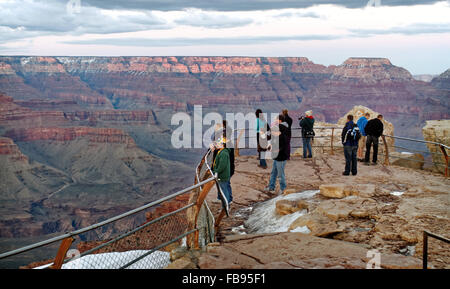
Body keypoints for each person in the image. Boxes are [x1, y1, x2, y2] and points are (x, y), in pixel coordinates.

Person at [264, 114, 289, 194]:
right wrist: (270, 146)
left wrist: (276, 150)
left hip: (281, 158)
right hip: (276, 157)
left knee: (281, 175)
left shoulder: (283, 138)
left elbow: (283, 148)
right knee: (273, 173)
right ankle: (271, 187)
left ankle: (283, 189)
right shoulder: (275, 137)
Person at [210, 137, 233, 204]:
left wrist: (215, 171)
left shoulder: (223, 153)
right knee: (224, 188)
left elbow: (222, 166)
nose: (216, 145)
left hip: (222, 176)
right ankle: (227, 202)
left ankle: (225, 205)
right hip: (223, 175)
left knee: (223, 191)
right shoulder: (222, 151)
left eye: (218, 143)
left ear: (223, 145)